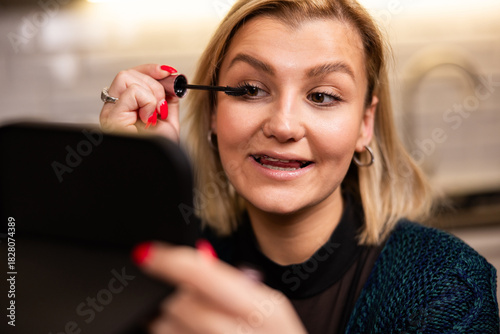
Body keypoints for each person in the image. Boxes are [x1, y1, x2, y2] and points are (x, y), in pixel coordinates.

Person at [99, 0, 499, 332]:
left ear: (364, 124)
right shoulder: (171, 262)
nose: (283, 125)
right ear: (213, 115)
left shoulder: (448, 287)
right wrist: (142, 190)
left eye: (323, 96)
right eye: (251, 90)